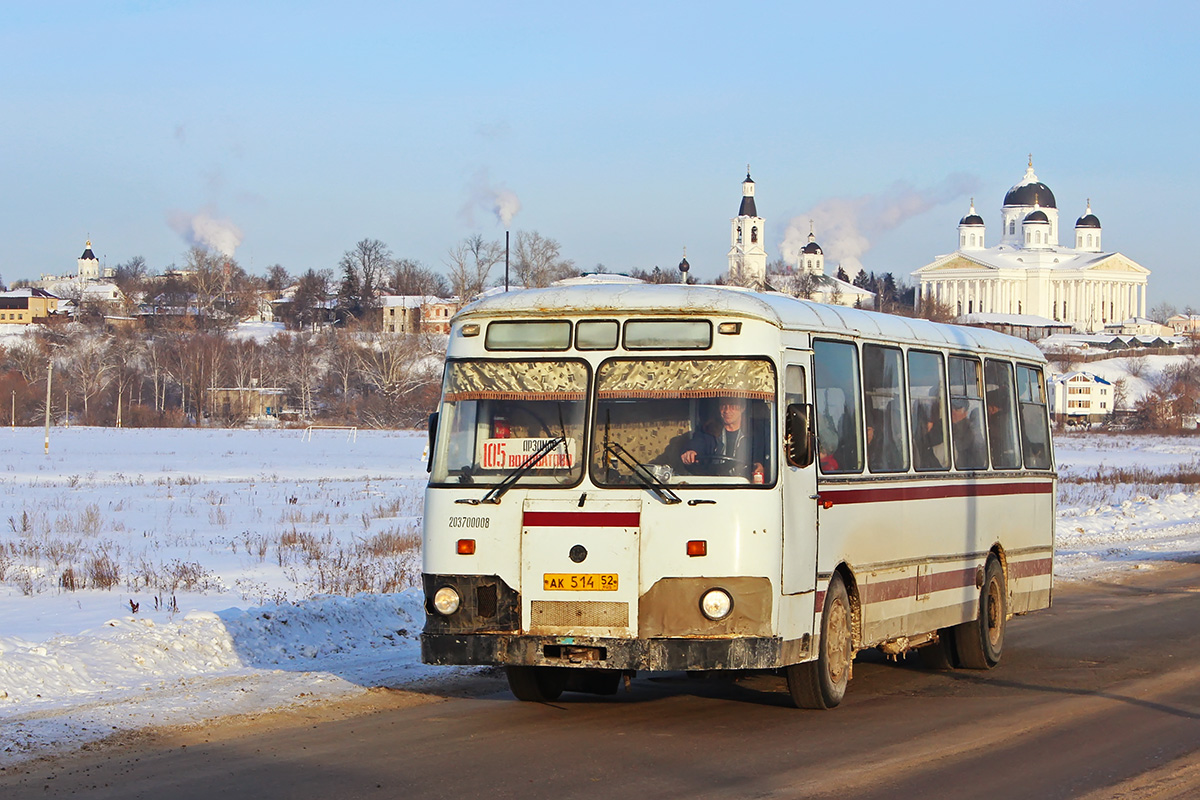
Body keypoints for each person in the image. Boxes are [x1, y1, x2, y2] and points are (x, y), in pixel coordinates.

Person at [681, 397, 764, 478]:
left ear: (742, 407)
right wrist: (690, 452)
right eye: (723, 406)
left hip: (745, 486)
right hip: (715, 485)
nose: (727, 411)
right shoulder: (709, 431)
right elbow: (696, 444)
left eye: (732, 406)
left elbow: (763, 459)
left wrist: (760, 466)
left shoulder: (755, 433)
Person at [950, 397, 986, 468]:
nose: (953, 413)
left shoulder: (970, 430)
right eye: (951, 409)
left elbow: (979, 456)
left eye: (957, 410)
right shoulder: (947, 427)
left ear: (965, 413)